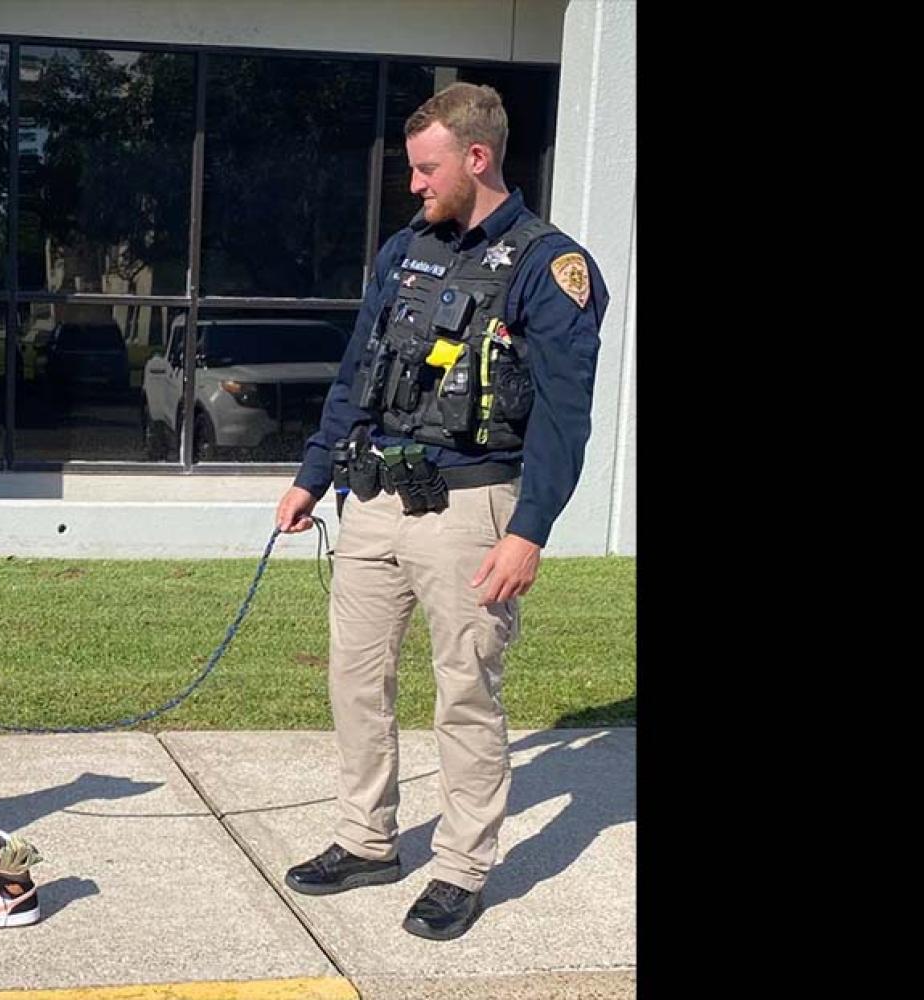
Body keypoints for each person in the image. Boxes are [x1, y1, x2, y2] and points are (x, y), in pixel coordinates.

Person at [273, 82, 608, 941]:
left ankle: (461, 868)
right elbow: (358, 371)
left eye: (426, 169)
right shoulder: (404, 250)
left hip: (475, 507)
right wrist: (313, 476)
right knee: (355, 679)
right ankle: (367, 839)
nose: (414, 184)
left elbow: (567, 420)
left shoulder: (549, 265)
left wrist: (529, 529)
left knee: (465, 693)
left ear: (477, 157)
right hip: (376, 498)